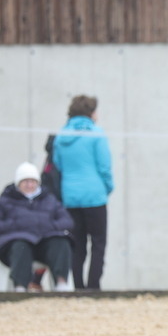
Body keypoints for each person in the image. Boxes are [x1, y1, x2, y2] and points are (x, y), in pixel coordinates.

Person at [52, 95, 114, 290]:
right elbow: (104, 166)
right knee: (98, 244)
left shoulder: (61, 136)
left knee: (77, 246)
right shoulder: (96, 133)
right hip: (94, 196)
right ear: (91, 112)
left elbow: (57, 165)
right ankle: (94, 287)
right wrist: (107, 188)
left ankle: (77, 287)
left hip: (71, 197)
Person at [0, 162, 74, 292]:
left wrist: (50, 226)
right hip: (17, 245)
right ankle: (20, 287)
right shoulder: (5, 200)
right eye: (25, 181)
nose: (29, 185)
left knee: (61, 242)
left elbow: (68, 221)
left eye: (33, 181)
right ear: (18, 183)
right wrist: (15, 225)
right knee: (21, 245)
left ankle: (62, 284)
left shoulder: (49, 198)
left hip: (44, 242)